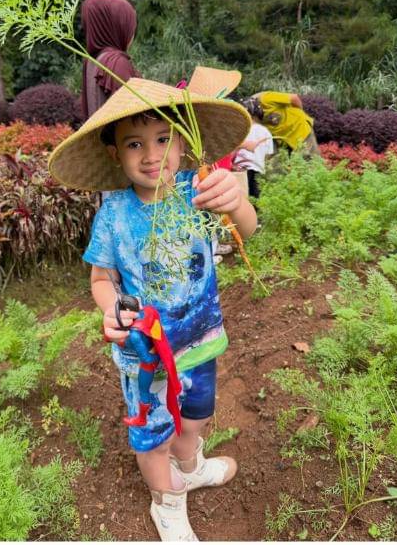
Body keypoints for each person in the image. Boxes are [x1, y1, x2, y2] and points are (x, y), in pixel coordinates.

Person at [48, 77, 256, 541]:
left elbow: (249, 228)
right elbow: (102, 279)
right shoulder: (115, 214)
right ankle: (167, 502)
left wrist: (237, 202)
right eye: (134, 144)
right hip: (147, 353)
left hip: (200, 342)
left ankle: (191, 465)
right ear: (114, 154)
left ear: (183, 144)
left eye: (164, 139)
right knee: (155, 433)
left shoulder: (197, 191)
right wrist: (113, 309)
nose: (151, 154)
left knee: (197, 416)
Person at [80, 0, 140, 119]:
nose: (132, 33)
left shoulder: (93, 60)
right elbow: (135, 114)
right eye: (130, 26)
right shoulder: (116, 62)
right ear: (118, 28)